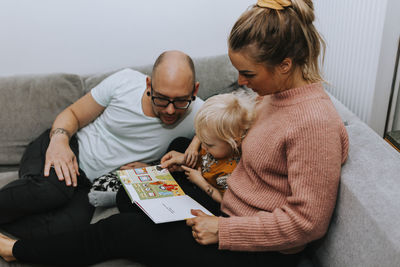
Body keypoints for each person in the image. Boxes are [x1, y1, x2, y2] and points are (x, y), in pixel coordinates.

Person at [0, 0, 349, 266]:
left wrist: (223, 231)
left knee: (119, 231)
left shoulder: (314, 123)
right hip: (226, 206)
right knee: (129, 196)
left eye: (248, 74)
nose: (241, 82)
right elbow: (225, 128)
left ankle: (17, 251)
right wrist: (191, 157)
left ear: (285, 65)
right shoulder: (273, 97)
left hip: (254, 246)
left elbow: (307, 224)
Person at [0, 50, 203, 239]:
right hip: (67, 147)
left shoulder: (203, 114)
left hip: (88, 184)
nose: (169, 110)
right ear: (149, 85)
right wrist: (59, 141)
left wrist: (165, 163)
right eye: (161, 99)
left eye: (180, 101)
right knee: (52, 191)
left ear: (195, 90)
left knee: (69, 229)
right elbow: (72, 115)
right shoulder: (124, 82)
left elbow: (229, 125)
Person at [161, 91, 256, 203]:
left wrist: (200, 182)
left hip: (210, 194)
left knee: (184, 196)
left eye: (209, 145)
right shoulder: (218, 146)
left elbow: (226, 201)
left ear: (233, 143)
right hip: (199, 172)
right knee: (179, 143)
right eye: (202, 141)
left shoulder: (231, 173)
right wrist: (185, 162)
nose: (204, 147)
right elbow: (205, 159)